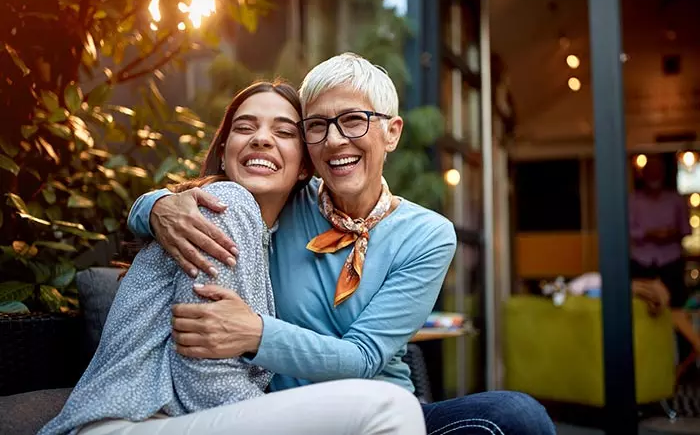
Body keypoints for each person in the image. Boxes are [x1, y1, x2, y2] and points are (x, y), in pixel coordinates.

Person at [128, 53, 556, 434]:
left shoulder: (428, 235)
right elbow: (217, 194)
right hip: (283, 414)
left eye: (353, 120)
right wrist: (155, 206)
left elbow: (365, 357)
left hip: (386, 412)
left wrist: (255, 333)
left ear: (392, 132)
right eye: (316, 126)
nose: (334, 140)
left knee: (515, 415)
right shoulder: (283, 202)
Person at [40, 81, 426, 435]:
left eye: (284, 131)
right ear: (223, 153)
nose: (261, 139)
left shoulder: (273, 235)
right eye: (244, 128)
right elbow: (204, 376)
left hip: (184, 420)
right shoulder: (226, 205)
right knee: (390, 409)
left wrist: (149, 205)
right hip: (130, 421)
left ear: (305, 166)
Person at [629, 154, 699, 353]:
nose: (654, 174)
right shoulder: (634, 201)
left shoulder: (675, 200)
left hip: (671, 262)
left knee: (677, 312)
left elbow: (686, 230)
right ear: (643, 174)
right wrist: (651, 234)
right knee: (640, 312)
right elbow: (629, 231)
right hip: (641, 262)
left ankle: (686, 367)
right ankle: (642, 355)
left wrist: (669, 234)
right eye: (650, 170)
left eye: (658, 170)